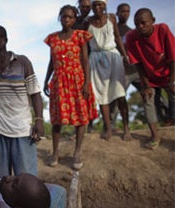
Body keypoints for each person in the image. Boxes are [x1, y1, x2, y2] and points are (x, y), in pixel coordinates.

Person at [0, 25, 45, 177]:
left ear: (4, 40)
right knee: (1, 181)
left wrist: (39, 120)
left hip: (22, 130)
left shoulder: (22, 62)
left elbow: (35, 92)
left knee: (26, 180)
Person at [43, 5, 98, 170]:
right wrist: (46, 80)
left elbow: (85, 61)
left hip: (77, 80)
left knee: (81, 118)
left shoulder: (80, 36)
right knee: (57, 119)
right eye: (64, 16)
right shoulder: (52, 38)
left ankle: (77, 152)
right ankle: (55, 152)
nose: (67, 19)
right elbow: (51, 61)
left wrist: (87, 83)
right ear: (60, 17)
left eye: (70, 17)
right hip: (59, 82)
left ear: (75, 19)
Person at [125, 8, 175, 149]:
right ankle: (155, 137)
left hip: (169, 73)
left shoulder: (163, 30)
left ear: (152, 21)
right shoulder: (131, 37)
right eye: (136, 24)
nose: (140, 27)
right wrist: (146, 86)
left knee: (173, 97)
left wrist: (172, 82)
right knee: (148, 99)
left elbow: (173, 59)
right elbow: (138, 64)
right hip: (150, 76)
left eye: (143, 23)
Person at [87, 0, 132, 141]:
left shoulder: (111, 18)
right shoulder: (87, 22)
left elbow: (118, 38)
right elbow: (85, 45)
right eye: (94, 5)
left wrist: (124, 55)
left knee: (120, 94)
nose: (97, 7)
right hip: (95, 60)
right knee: (101, 95)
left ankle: (126, 129)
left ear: (105, 5)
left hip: (113, 57)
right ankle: (108, 128)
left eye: (100, 4)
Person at [109, 3, 141, 132]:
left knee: (151, 92)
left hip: (135, 70)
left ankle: (168, 117)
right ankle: (111, 125)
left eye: (127, 11)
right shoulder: (111, 30)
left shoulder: (131, 31)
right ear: (117, 13)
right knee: (118, 98)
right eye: (122, 11)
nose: (125, 14)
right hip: (121, 71)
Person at [74, 0, 96, 134]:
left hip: (93, 58)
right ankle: (79, 125)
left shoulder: (94, 20)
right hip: (76, 60)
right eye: (83, 6)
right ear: (79, 6)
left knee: (91, 91)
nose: (86, 9)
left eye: (88, 7)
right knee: (79, 93)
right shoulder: (74, 21)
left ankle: (91, 124)